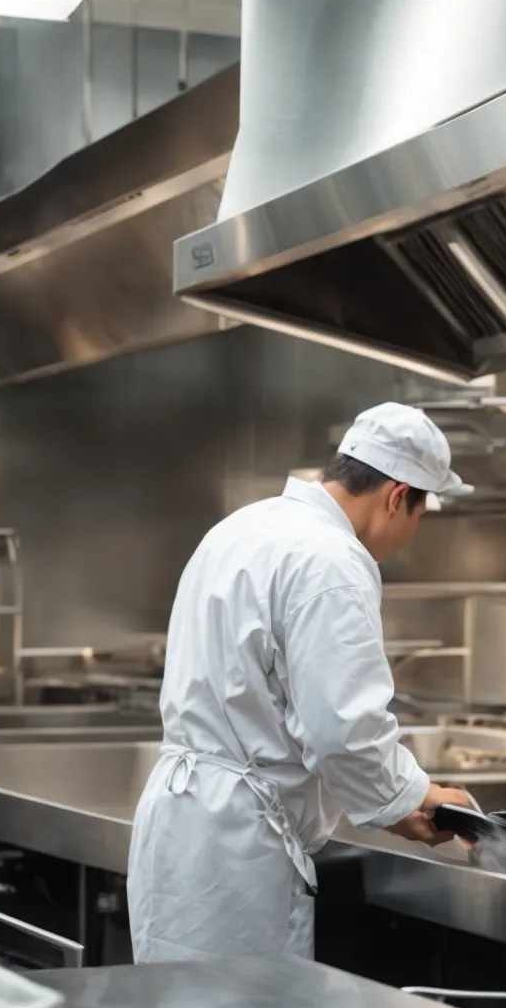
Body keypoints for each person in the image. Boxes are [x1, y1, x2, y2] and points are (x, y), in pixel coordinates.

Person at [128, 402, 478, 962]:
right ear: (395, 497)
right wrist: (407, 798)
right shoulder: (331, 561)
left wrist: (397, 794)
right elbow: (341, 729)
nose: (412, 533)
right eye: (420, 514)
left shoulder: (244, 526)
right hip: (240, 845)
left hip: (180, 820)